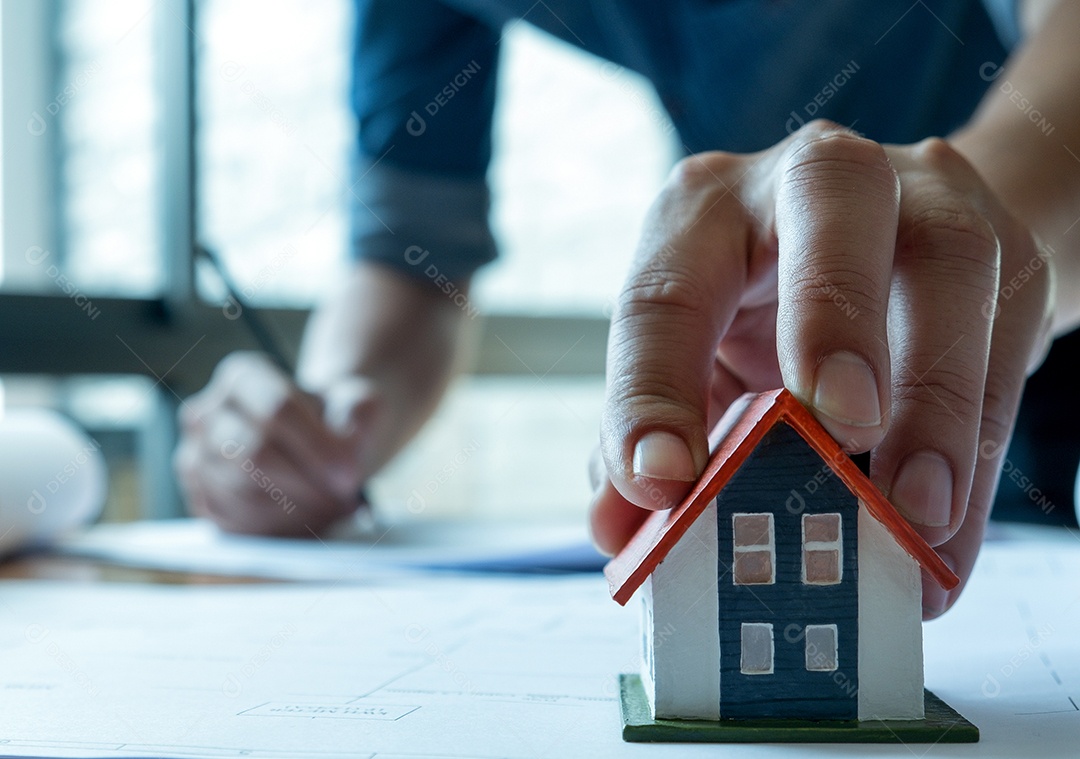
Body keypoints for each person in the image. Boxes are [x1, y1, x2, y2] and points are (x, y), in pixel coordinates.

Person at [174, 0, 1080, 619]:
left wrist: (976, 225)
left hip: (1015, 387)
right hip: (781, 354)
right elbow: (408, 255)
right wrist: (331, 420)